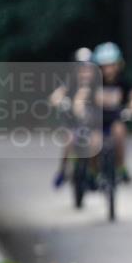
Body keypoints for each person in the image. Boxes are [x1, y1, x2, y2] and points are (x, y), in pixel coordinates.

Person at [92, 42, 132, 182]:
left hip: (115, 118)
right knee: (93, 143)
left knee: (119, 133)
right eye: (104, 65)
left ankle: (120, 166)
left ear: (118, 65)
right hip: (97, 120)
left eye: (111, 65)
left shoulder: (123, 81)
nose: (108, 70)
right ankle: (93, 172)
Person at [49, 47, 96, 188]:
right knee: (69, 141)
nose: (84, 72)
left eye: (88, 68)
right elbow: (56, 96)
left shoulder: (97, 84)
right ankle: (63, 171)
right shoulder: (70, 83)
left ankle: (94, 174)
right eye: (81, 68)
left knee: (98, 143)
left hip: (93, 124)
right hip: (74, 123)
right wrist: (59, 101)